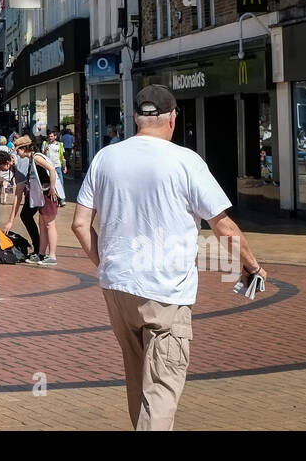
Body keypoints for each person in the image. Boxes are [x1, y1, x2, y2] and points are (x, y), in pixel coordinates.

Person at [71, 84, 265, 431]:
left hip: (117, 287)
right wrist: (252, 265)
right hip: (164, 292)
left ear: (135, 118)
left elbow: (80, 224)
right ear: (172, 117)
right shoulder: (186, 161)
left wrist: (107, 264)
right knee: (161, 387)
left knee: (138, 378)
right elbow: (224, 227)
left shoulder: (106, 157)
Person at [13, 134, 63, 265]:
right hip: (42, 195)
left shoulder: (36, 157)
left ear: (24, 148)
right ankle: (41, 253)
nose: (17, 153)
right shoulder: (33, 158)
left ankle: (52, 256)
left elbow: (52, 169)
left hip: (48, 194)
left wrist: (52, 188)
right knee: (43, 224)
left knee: (49, 225)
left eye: (18, 150)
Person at [3, 136, 41, 263]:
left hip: (40, 193)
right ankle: (39, 249)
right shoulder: (16, 157)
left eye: (0, 167)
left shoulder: (21, 164)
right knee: (27, 216)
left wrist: (10, 221)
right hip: (34, 193)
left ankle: (39, 250)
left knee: (28, 216)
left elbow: (18, 197)